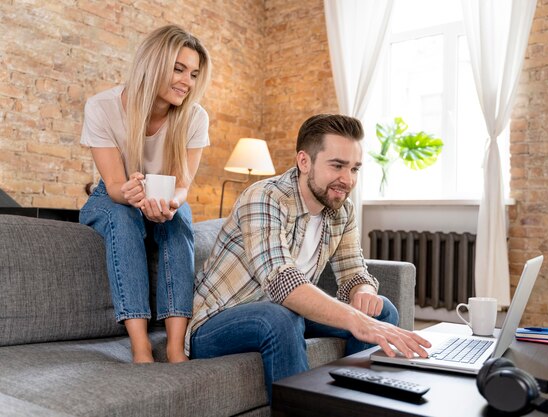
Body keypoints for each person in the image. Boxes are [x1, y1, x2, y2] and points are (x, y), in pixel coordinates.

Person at [187, 114, 431, 398]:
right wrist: (355, 319)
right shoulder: (265, 197)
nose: (347, 179)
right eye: (338, 166)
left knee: (382, 310)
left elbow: (353, 270)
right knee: (278, 317)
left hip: (288, 313)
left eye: (354, 169)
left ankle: (355, 405)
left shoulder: (342, 209)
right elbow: (281, 282)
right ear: (304, 162)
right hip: (217, 322)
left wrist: (363, 290)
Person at [79, 25, 211, 364]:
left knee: (180, 219)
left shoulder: (195, 117)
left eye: (194, 73)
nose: (188, 81)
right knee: (123, 217)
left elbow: (182, 186)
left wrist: (170, 204)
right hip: (115, 197)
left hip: (162, 199)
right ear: (153, 64)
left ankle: (175, 347)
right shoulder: (102, 107)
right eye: (179, 69)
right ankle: (140, 348)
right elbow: (113, 186)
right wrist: (134, 194)